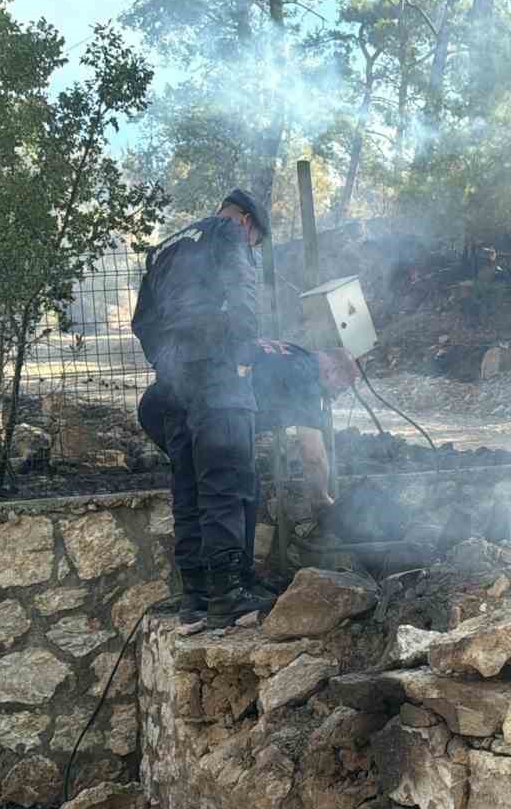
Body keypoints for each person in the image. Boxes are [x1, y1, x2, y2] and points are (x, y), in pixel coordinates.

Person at [130, 189, 273, 634]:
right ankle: (229, 594)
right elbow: (242, 294)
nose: (251, 250)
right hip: (217, 372)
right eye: (256, 245)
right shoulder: (228, 233)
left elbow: (143, 322)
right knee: (225, 482)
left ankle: (194, 598)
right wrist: (243, 356)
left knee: (188, 485)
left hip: (174, 381)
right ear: (248, 223)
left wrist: (168, 365)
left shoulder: (166, 248)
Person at [138, 339, 361, 586]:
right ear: (331, 371)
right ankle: (227, 586)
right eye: (339, 390)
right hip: (188, 413)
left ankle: (217, 584)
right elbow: (314, 456)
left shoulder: (296, 354)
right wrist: (321, 500)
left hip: (171, 403)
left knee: (229, 486)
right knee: (229, 490)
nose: (335, 398)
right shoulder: (305, 378)